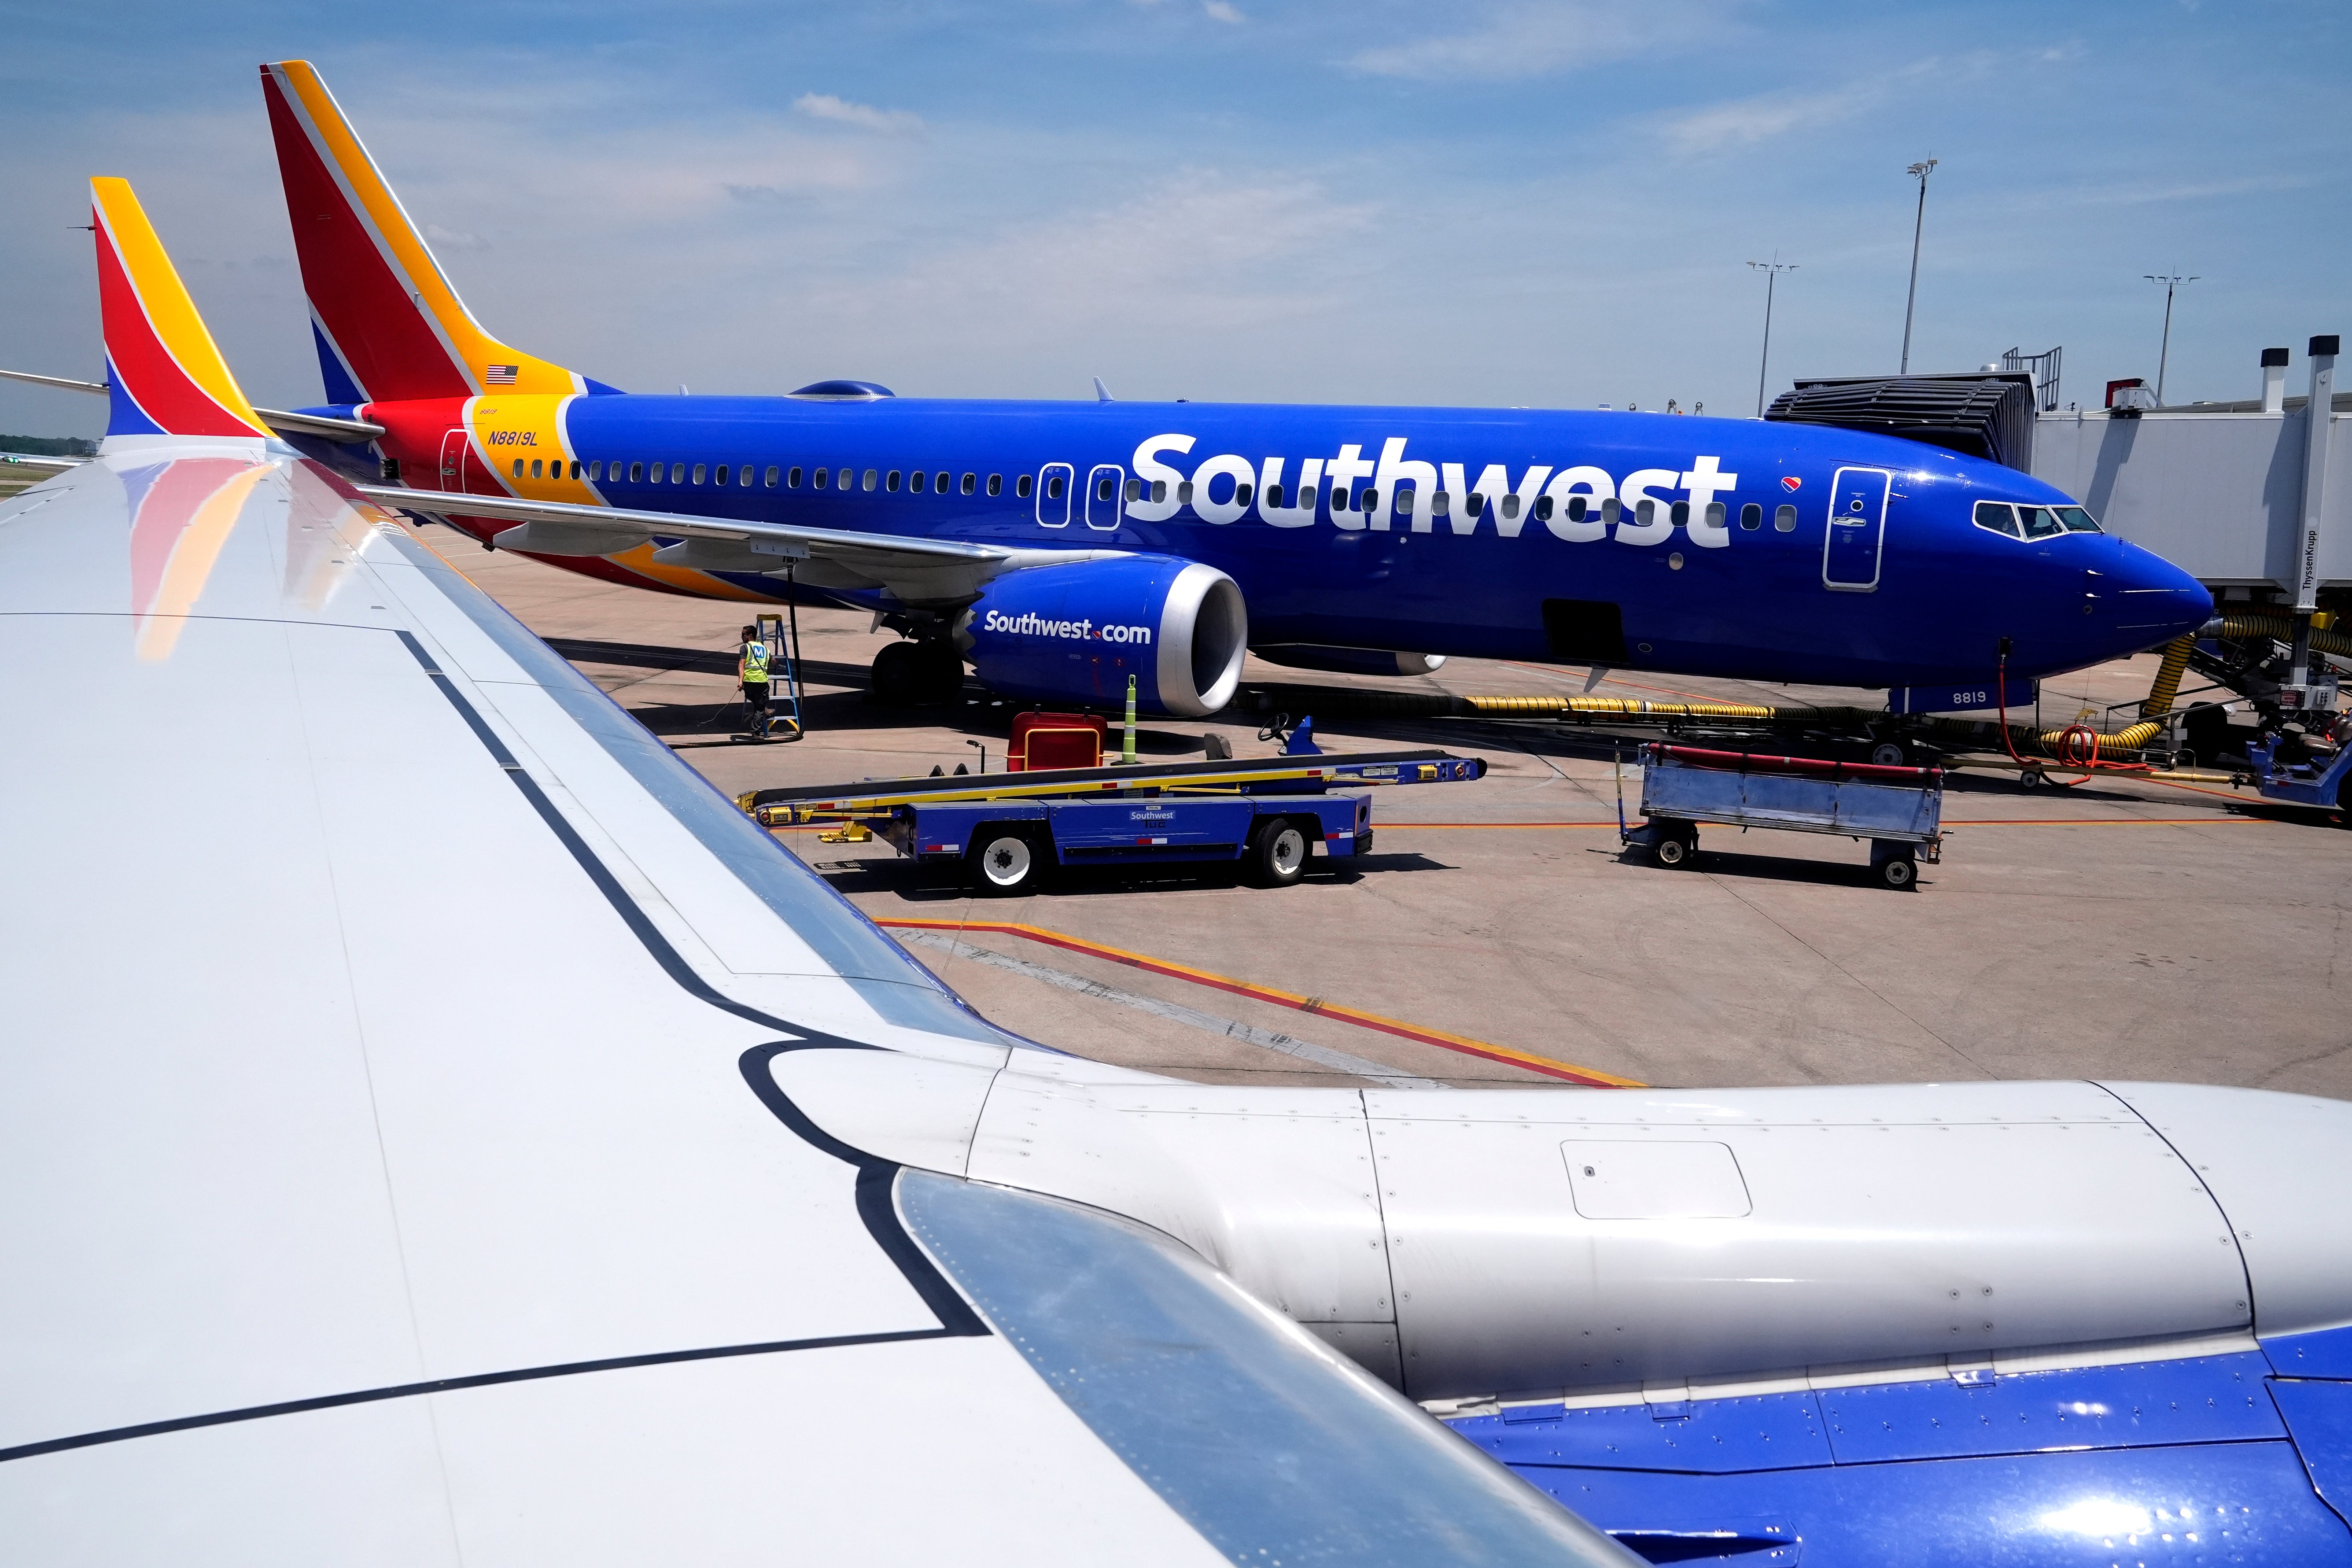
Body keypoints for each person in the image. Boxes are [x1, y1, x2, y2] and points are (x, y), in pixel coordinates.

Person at [737, 624, 771, 733]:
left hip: (749, 682)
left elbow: (741, 665)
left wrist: (740, 682)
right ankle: (757, 731)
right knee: (760, 706)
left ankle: (756, 731)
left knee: (758, 705)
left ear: (750, 636)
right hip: (761, 681)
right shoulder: (766, 649)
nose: (742, 637)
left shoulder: (745, 648)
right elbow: (773, 661)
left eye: (743, 635)